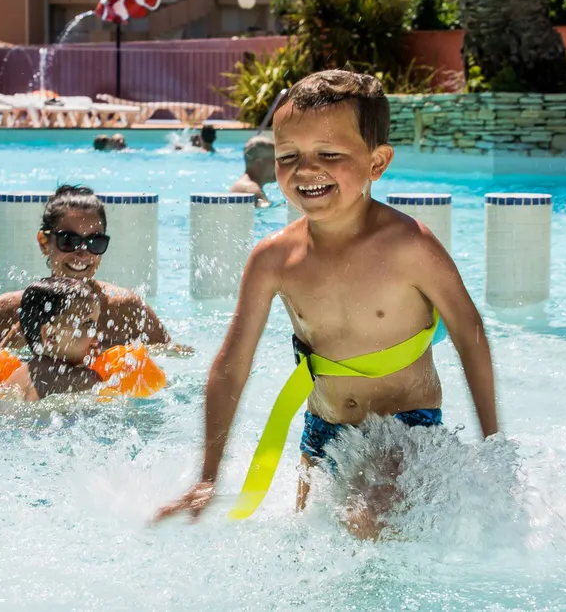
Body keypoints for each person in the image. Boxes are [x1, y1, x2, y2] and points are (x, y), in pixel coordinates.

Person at [155, 70, 498, 539]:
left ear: (377, 162)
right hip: (322, 428)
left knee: (364, 529)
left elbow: (469, 336)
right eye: (288, 156)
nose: (305, 170)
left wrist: (495, 446)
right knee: (310, 550)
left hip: (406, 428)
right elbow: (231, 365)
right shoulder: (275, 258)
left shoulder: (409, 246)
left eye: (329, 154)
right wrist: (208, 476)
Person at [0, 185, 181, 354]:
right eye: (69, 240)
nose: (82, 253)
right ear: (43, 242)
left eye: (95, 241)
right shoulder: (10, 310)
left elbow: (176, 358)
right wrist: (11, 346)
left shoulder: (126, 308)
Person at [3, 277, 103, 402]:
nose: (97, 334)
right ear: (51, 334)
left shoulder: (18, 377)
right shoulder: (84, 379)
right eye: (88, 323)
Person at [230, 135, 276, 207]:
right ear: (259, 163)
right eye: (274, 161)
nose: (278, 166)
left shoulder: (248, 186)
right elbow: (266, 210)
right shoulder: (249, 188)